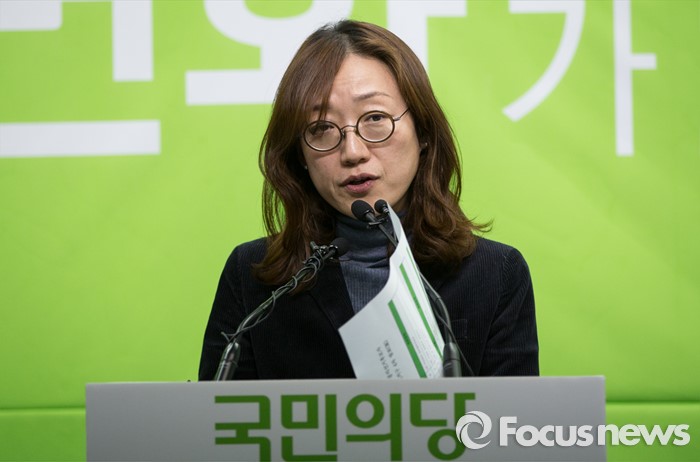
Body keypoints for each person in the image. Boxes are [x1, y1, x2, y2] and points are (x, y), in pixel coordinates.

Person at [199, 20, 538, 380]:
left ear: (423, 132)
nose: (353, 152)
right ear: (300, 155)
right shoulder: (253, 277)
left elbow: (510, 416)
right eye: (321, 128)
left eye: (375, 117)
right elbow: (217, 415)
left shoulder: (494, 274)